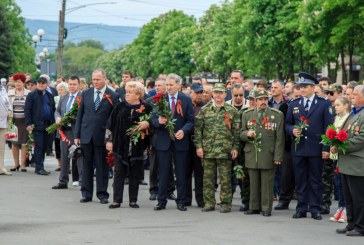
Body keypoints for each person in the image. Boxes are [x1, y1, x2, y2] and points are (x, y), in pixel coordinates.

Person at [285, 72, 334, 220]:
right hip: (298, 149)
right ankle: (301, 208)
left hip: (316, 148)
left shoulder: (324, 104)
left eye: (305, 86)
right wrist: (292, 130)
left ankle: (315, 208)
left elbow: (328, 127)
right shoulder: (294, 104)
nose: (302, 89)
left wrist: (325, 149)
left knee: (315, 179)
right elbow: (287, 123)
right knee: (300, 179)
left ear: (313, 87)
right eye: (300, 87)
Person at [74, 69, 119, 204]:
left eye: (98, 79)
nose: (95, 82)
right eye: (93, 79)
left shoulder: (113, 95)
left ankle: (102, 194)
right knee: (86, 165)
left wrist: (110, 138)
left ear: (105, 79)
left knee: (102, 166)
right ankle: (86, 194)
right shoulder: (86, 93)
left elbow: (114, 119)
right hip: (86, 135)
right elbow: (80, 115)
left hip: (102, 137)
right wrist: (77, 135)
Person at [194, 83, 240, 213]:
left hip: (225, 150)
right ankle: (209, 203)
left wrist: (235, 147)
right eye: (216, 93)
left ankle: (226, 203)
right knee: (208, 179)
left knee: (225, 179)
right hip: (208, 150)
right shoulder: (205, 110)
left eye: (221, 93)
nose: (218, 95)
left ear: (226, 94)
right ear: (212, 94)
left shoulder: (232, 111)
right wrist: (199, 147)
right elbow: (198, 131)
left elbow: (236, 132)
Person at [151, 73, 194, 211]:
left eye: (171, 85)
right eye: (167, 85)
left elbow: (191, 120)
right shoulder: (160, 99)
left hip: (180, 141)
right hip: (164, 141)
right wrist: (159, 121)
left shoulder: (186, 100)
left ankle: (181, 201)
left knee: (181, 172)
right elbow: (153, 119)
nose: (168, 87)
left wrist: (184, 130)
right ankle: (161, 200)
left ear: (178, 85)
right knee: (163, 172)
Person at [106, 81, 152, 209]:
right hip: (120, 145)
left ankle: (133, 200)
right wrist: (109, 140)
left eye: (130, 93)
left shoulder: (147, 108)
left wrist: (147, 123)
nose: (127, 95)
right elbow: (111, 124)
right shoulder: (120, 107)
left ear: (138, 95)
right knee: (119, 174)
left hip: (138, 146)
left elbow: (153, 123)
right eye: (127, 92)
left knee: (135, 174)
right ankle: (116, 200)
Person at [240, 90, 285, 216]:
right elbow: (241, 133)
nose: (263, 102)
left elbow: (280, 138)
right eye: (260, 99)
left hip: (268, 153)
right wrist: (247, 134)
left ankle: (266, 208)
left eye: (265, 99)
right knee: (253, 182)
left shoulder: (277, 115)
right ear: (255, 101)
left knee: (267, 182)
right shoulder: (247, 114)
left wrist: (278, 156)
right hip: (252, 153)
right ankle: (254, 206)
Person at [334, 85, 364, 236]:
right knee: (349, 197)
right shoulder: (354, 113)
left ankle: (361, 226)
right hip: (347, 163)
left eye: (356, 95)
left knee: (358, 198)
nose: (352, 97)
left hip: (357, 163)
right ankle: (351, 223)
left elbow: (361, 139)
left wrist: (340, 146)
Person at [146, 78, 176, 201]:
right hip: (155, 136)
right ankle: (154, 190)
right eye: (156, 85)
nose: (157, 87)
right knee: (154, 165)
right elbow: (146, 119)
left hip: (170, 136)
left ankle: (170, 190)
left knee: (169, 165)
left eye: (160, 85)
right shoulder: (149, 101)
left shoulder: (171, 99)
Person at [52, 76, 82, 189]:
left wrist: (73, 117)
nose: (72, 86)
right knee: (64, 156)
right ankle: (63, 181)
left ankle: (82, 181)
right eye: (70, 84)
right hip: (65, 132)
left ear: (79, 85)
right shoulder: (63, 97)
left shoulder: (82, 97)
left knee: (79, 156)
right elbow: (57, 111)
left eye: (74, 84)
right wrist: (58, 118)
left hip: (77, 131)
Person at [24, 77, 56, 175]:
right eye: (39, 83)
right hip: (37, 125)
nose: (41, 85)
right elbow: (27, 110)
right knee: (39, 146)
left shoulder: (50, 95)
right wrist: (28, 123)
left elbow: (52, 109)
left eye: (43, 83)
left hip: (48, 124)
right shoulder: (32, 95)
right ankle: (39, 168)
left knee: (44, 146)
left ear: (47, 84)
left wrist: (53, 123)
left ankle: (40, 166)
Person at [329, 97, 351, 223]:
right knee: (338, 184)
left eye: (338, 105)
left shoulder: (349, 118)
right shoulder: (336, 118)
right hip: (335, 156)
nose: (335, 107)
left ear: (346, 105)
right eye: (335, 105)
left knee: (344, 186)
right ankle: (340, 207)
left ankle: (346, 210)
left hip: (343, 155)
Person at [185, 82, 205, 208]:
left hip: (200, 144)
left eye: (201, 93)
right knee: (185, 172)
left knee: (200, 172)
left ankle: (200, 199)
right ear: (190, 92)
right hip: (186, 142)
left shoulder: (206, 107)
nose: (199, 95)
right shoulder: (185, 105)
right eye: (196, 92)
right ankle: (186, 199)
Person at [8, 73, 30, 172]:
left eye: (19, 82)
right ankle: (15, 164)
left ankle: (23, 165)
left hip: (25, 121)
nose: (17, 84)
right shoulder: (10, 93)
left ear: (23, 82)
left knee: (24, 143)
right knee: (14, 143)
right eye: (16, 82)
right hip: (13, 122)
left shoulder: (29, 93)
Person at [0, 85, 11, 175]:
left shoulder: (3, 91)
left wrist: (9, 112)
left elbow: (8, 105)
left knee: (1, 147)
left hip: (3, 123)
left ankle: (1, 168)